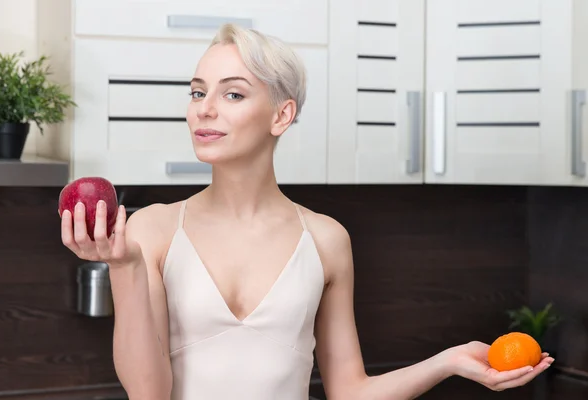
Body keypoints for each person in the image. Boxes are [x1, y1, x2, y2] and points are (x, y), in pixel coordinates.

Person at [60, 23, 553, 400]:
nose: (204, 109)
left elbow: (351, 391)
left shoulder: (326, 240)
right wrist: (122, 267)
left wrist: (448, 362)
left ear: (282, 114)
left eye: (232, 93)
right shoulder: (153, 229)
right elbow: (148, 392)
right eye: (197, 91)